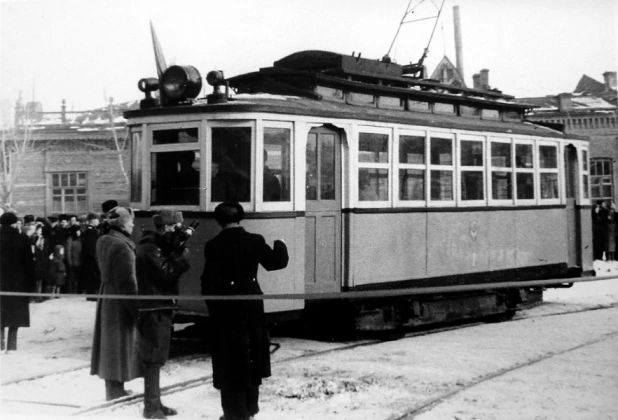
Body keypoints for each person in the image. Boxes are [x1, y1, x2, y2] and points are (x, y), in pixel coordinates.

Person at [201, 202, 289, 420]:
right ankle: (250, 408)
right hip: (251, 306)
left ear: (218, 220)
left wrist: (213, 307)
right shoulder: (254, 240)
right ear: (241, 218)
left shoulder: (213, 245)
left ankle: (234, 413)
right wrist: (280, 243)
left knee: (229, 359)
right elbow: (276, 263)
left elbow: (208, 281)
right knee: (252, 357)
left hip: (226, 309)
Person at [136, 209, 191, 419]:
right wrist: (182, 256)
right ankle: (151, 408)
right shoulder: (150, 248)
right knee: (153, 358)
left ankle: (155, 402)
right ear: (167, 227)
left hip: (159, 306)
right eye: (177, 228)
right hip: (154, 308)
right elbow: (166, 274)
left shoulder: (154, 246)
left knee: (156, 358)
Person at [90, 206, 143, 401]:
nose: (133, 225)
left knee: (110, 344)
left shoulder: (104, 240)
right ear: (122, 224)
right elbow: (128, 282)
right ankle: (115, 390)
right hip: (120, 301)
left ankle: (114, 388)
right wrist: (137, 310)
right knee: (120, 344)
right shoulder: (122, 245)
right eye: (130, 222)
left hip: (107, 296)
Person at [0, 211, 35, 352]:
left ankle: (0, 346)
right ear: (15, 223)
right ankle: (12, 347)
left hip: (0, 283)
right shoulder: (23, 239)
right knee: (15, 316)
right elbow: (29, 264)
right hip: (18, 284)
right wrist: (31, 284)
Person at [82, 212, 101, 297]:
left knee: (90, 276)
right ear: (92, 220)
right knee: (92, 276)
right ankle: (92, 294)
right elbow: (91, 247)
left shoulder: (89, 230)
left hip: (88, 258)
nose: (98, 221)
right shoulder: (91, 231)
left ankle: (91, 294)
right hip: (91, 258)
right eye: (97, 219)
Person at [67, 225, 84, 293]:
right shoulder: (70, 239)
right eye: (78, 231)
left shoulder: (81, 239)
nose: (79, 232)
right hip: (73, 262)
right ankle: (71, 291)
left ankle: (79, 290)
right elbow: (68, 251)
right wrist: (70, 261)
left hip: (80, 261)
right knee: (72, 278)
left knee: (79, 277)